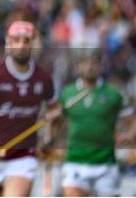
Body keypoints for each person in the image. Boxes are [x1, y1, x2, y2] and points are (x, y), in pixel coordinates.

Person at [0, 21, 57, 196]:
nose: (21, 45)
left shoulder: (44, 79)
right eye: (16, 40)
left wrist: (49, 135)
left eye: (26, 40)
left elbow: (55, 111)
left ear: (33, 44)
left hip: (24, 155)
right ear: (8, 43)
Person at [57, 51, 135, 197]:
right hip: (76, 160)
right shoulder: (68, 93)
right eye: (85, 63)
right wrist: (50, 135)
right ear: (78, 67)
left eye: (94, 63)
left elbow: (132, 120)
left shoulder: (113, 93)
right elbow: (56, 123)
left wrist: (129, 135)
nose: (90, 67)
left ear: (101, 66)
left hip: (105, 163)